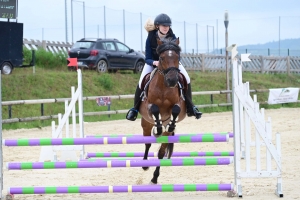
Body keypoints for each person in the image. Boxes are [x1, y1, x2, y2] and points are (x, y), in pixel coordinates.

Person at [126, 13, 202, 121]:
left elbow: (177, 55)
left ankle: (191, 107)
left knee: (187, 78)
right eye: (163, 26)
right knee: (141, 80)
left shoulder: (173, 37)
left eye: (167, 26)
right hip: (154, 64)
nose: (166, 28)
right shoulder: (151, 37)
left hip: (170, 64)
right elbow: (147, 58)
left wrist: (172, 64)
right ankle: (135, 109)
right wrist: (154, 63)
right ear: (158, 26)